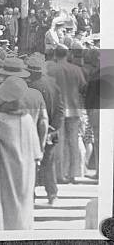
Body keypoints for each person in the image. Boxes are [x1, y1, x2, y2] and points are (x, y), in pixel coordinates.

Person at [0, 76, 42, 230]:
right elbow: (36, 151)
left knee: (3, 212)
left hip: (4, 172)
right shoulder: (27, 118)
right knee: (22, 210)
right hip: (26, 171)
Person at [25, 54, 65, 204]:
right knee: (49, 163)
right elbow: (61, 110)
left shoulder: (29, 87)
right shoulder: (53, 85)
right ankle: (52, 194)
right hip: (51, 130)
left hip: (34, 130)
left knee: (32, 164)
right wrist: (54, 128)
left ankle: (31, 195)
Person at [48, 44, 86, 184]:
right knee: (73, 142)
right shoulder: (76, 69)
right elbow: (83, 87)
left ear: (55, 55)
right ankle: (73, 173)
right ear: (67, 54)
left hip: (58, 109)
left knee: (59, 142)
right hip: (74, 109)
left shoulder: (51, 69)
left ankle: (60, 174)